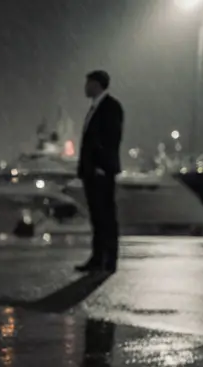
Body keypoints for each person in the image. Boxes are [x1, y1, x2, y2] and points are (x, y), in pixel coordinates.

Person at [76, 70, 124, 273]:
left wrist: (101, 166)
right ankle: (98, 258)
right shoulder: (95, 108)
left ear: (97, 84)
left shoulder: (111, 107)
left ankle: (109, 260)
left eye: (88, 83)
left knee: (106, 216)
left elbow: (112, 139)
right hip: (91, 172)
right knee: (97, 216)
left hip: (100, 172)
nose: (85, 87)